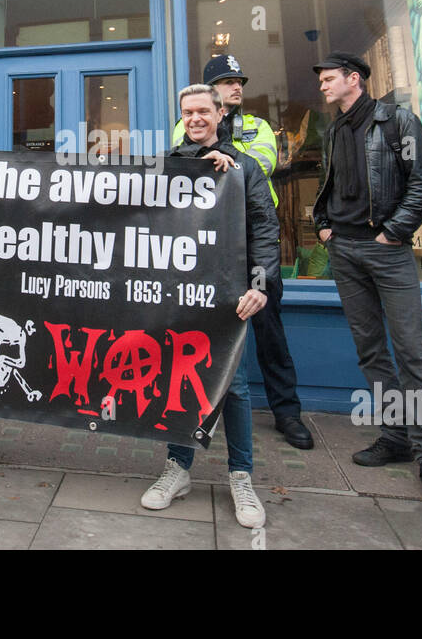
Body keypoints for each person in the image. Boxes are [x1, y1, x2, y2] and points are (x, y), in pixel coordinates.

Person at [312, 54, 422, 504]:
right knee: (371, 350)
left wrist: (393, 233)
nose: (323, 87)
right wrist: (322, 223)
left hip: (387, 253)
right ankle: (395, 436)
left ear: (354, 79)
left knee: (412, 352)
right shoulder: (335, 129)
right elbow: (330, 183)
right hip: (345, 251)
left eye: (329, 79)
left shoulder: (398, 121)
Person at [140, 84, 279, 529]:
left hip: (230, 296)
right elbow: (140, 210)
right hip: (178, 292)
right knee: (180, 377)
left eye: (203, 110)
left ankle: (241, 477)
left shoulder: (246, 166)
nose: (195, 118)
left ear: (220, 113)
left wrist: (260, 284)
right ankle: (178, 469)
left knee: (233, 387)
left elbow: (264, 228)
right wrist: (195, 170)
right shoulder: (171, 161)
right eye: (188, 112)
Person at [170, 55, 312, 450]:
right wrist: (203, 157)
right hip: (207, 255)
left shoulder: (258, 126)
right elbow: (176, 168)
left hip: (252, 250)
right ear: (212, 90)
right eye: (227, 81)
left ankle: (287, 413)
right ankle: (200, 416)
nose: (237, 87)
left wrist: (225, 155)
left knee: (270, 335)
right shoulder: (189, 122)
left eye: (239, 81)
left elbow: (265, 163)